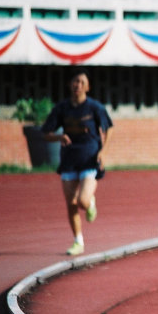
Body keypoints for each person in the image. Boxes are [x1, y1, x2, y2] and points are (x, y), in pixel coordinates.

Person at [41, 67, 113, 256]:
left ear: (87, 86)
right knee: (71, 203)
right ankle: (78, 241)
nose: (77, 85)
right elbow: (46, 133)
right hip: (68, 161)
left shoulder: (95, 108)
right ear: (69, 84)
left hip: (90, 159)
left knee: (82, 200)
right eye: (75, 81)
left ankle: (90, 203)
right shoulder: (62, 108)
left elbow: (109, 129)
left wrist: (103, 152)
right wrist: (59, 138)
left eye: (81, 82)